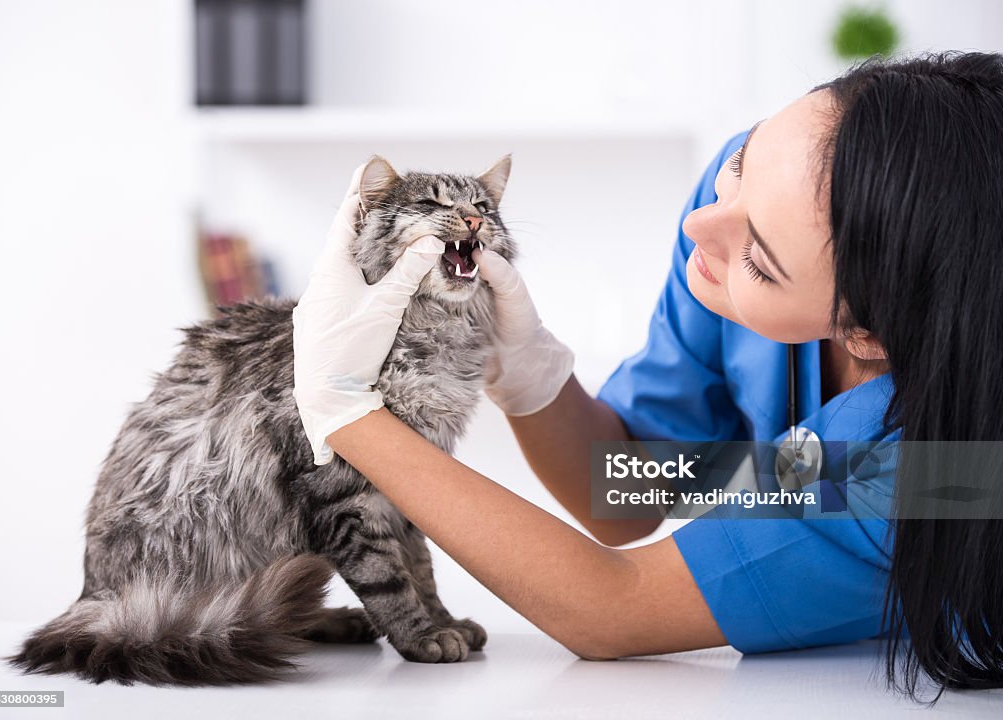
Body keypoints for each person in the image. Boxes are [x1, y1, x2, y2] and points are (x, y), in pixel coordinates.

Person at [291, 52, 1003, 700]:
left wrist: (344, 410)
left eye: (757, 256)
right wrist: (528, 373)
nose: (703, 226)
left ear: (866, 334)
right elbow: (631, 484)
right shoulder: (756, 201)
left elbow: (611, 606)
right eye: (741, 168)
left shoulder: (939, 460)